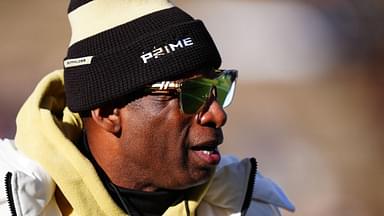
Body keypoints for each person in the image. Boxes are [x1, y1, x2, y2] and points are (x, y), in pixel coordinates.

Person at [0, 0, 295, 215]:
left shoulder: (240, 205)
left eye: (218, 87)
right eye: (191, 94)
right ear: (108, 112)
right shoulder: (14, 203)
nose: (217, 114)